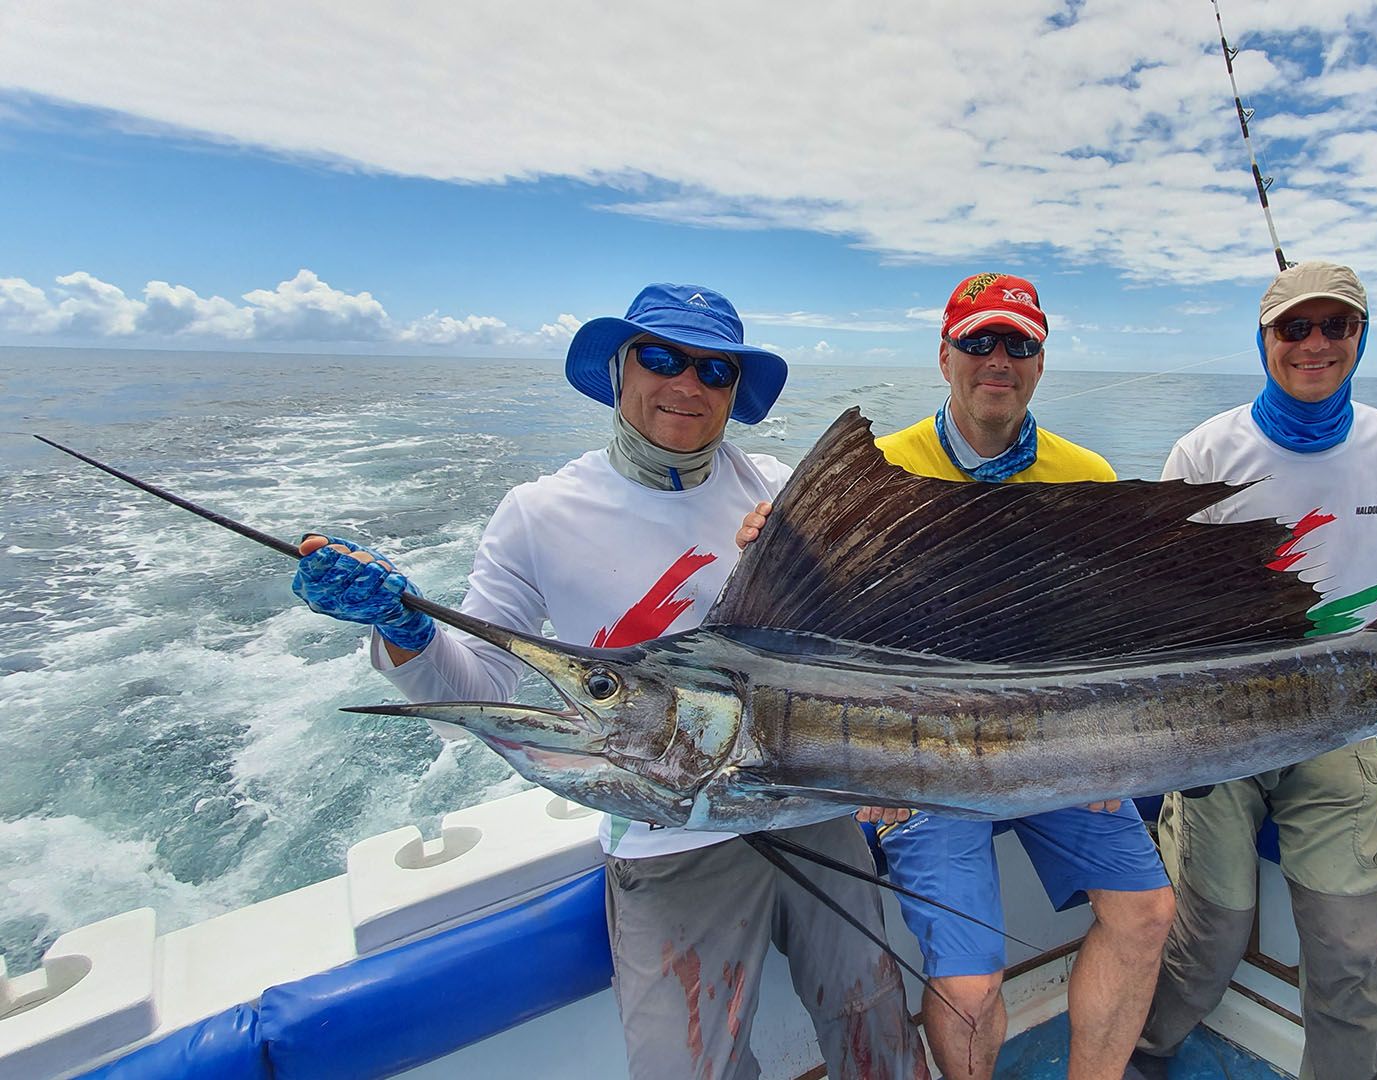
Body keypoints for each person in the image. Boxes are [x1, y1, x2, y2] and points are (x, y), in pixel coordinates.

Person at [288, 283, 927, 1080]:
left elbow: (868, 643)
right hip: (668, 843)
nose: (686, 384)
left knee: (879, 1033)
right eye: (660, 358)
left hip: (809, 803)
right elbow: (478, 685)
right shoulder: (537, 512)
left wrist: (833, 568)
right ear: (620, 369)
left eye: (715, 369)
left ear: (735, 391)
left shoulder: (779, 485)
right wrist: (403, 630)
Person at [1131, 261, 1377, 1080]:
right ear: (1264, 341)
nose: (1314, 344)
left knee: (1345, 950)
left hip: (1340, 724)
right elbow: (1159, 611)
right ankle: (1140, 1050)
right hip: (1217, 730)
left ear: (1361, 337)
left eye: (1335, 326)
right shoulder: (1205, 448)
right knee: (1213, 933)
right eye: (1293, 328)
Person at [828, 272, 1176, 1080]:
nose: (998, 359)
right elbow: (828, 636)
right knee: (972, 984)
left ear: (1041, 362)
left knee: (1147, 913)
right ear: (944, 355)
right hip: (919, 757)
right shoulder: (876, 472)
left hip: (1059, 747)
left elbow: (1120, 634)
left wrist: (1111, 746)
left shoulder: (1085, 475)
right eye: (979, 341)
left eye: (1018, 344)